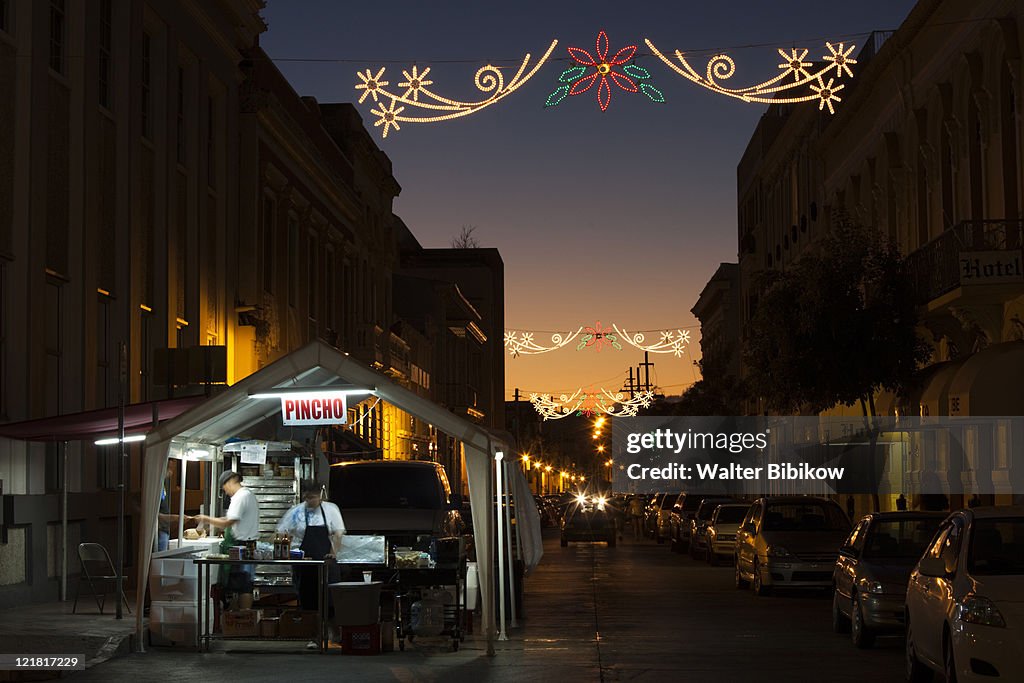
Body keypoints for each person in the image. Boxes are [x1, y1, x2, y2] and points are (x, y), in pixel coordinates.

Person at [277, 480, 345, 649]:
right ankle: (314, 636)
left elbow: (338, 533)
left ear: (320, 495)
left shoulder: (331, 509)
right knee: (308, 600)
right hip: (304, 564)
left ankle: (335, 635)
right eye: (307, 498)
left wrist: (332, 552)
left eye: (313, 498)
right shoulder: (296, 512)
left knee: (330, 601)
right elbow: (281, 533)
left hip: (327, 561)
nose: (310, 501)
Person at [193, 471, 261, 610]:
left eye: (225, 488)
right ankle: (237, 619)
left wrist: (206, 519)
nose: (226, 491)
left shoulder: (241, 496)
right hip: (247, 545)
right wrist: (211, 521)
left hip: (243, 546)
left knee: (244, 586)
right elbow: (231, 519)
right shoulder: (247, 494)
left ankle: (244, 619)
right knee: (240, 586)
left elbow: (228, 522)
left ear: (231, 482)